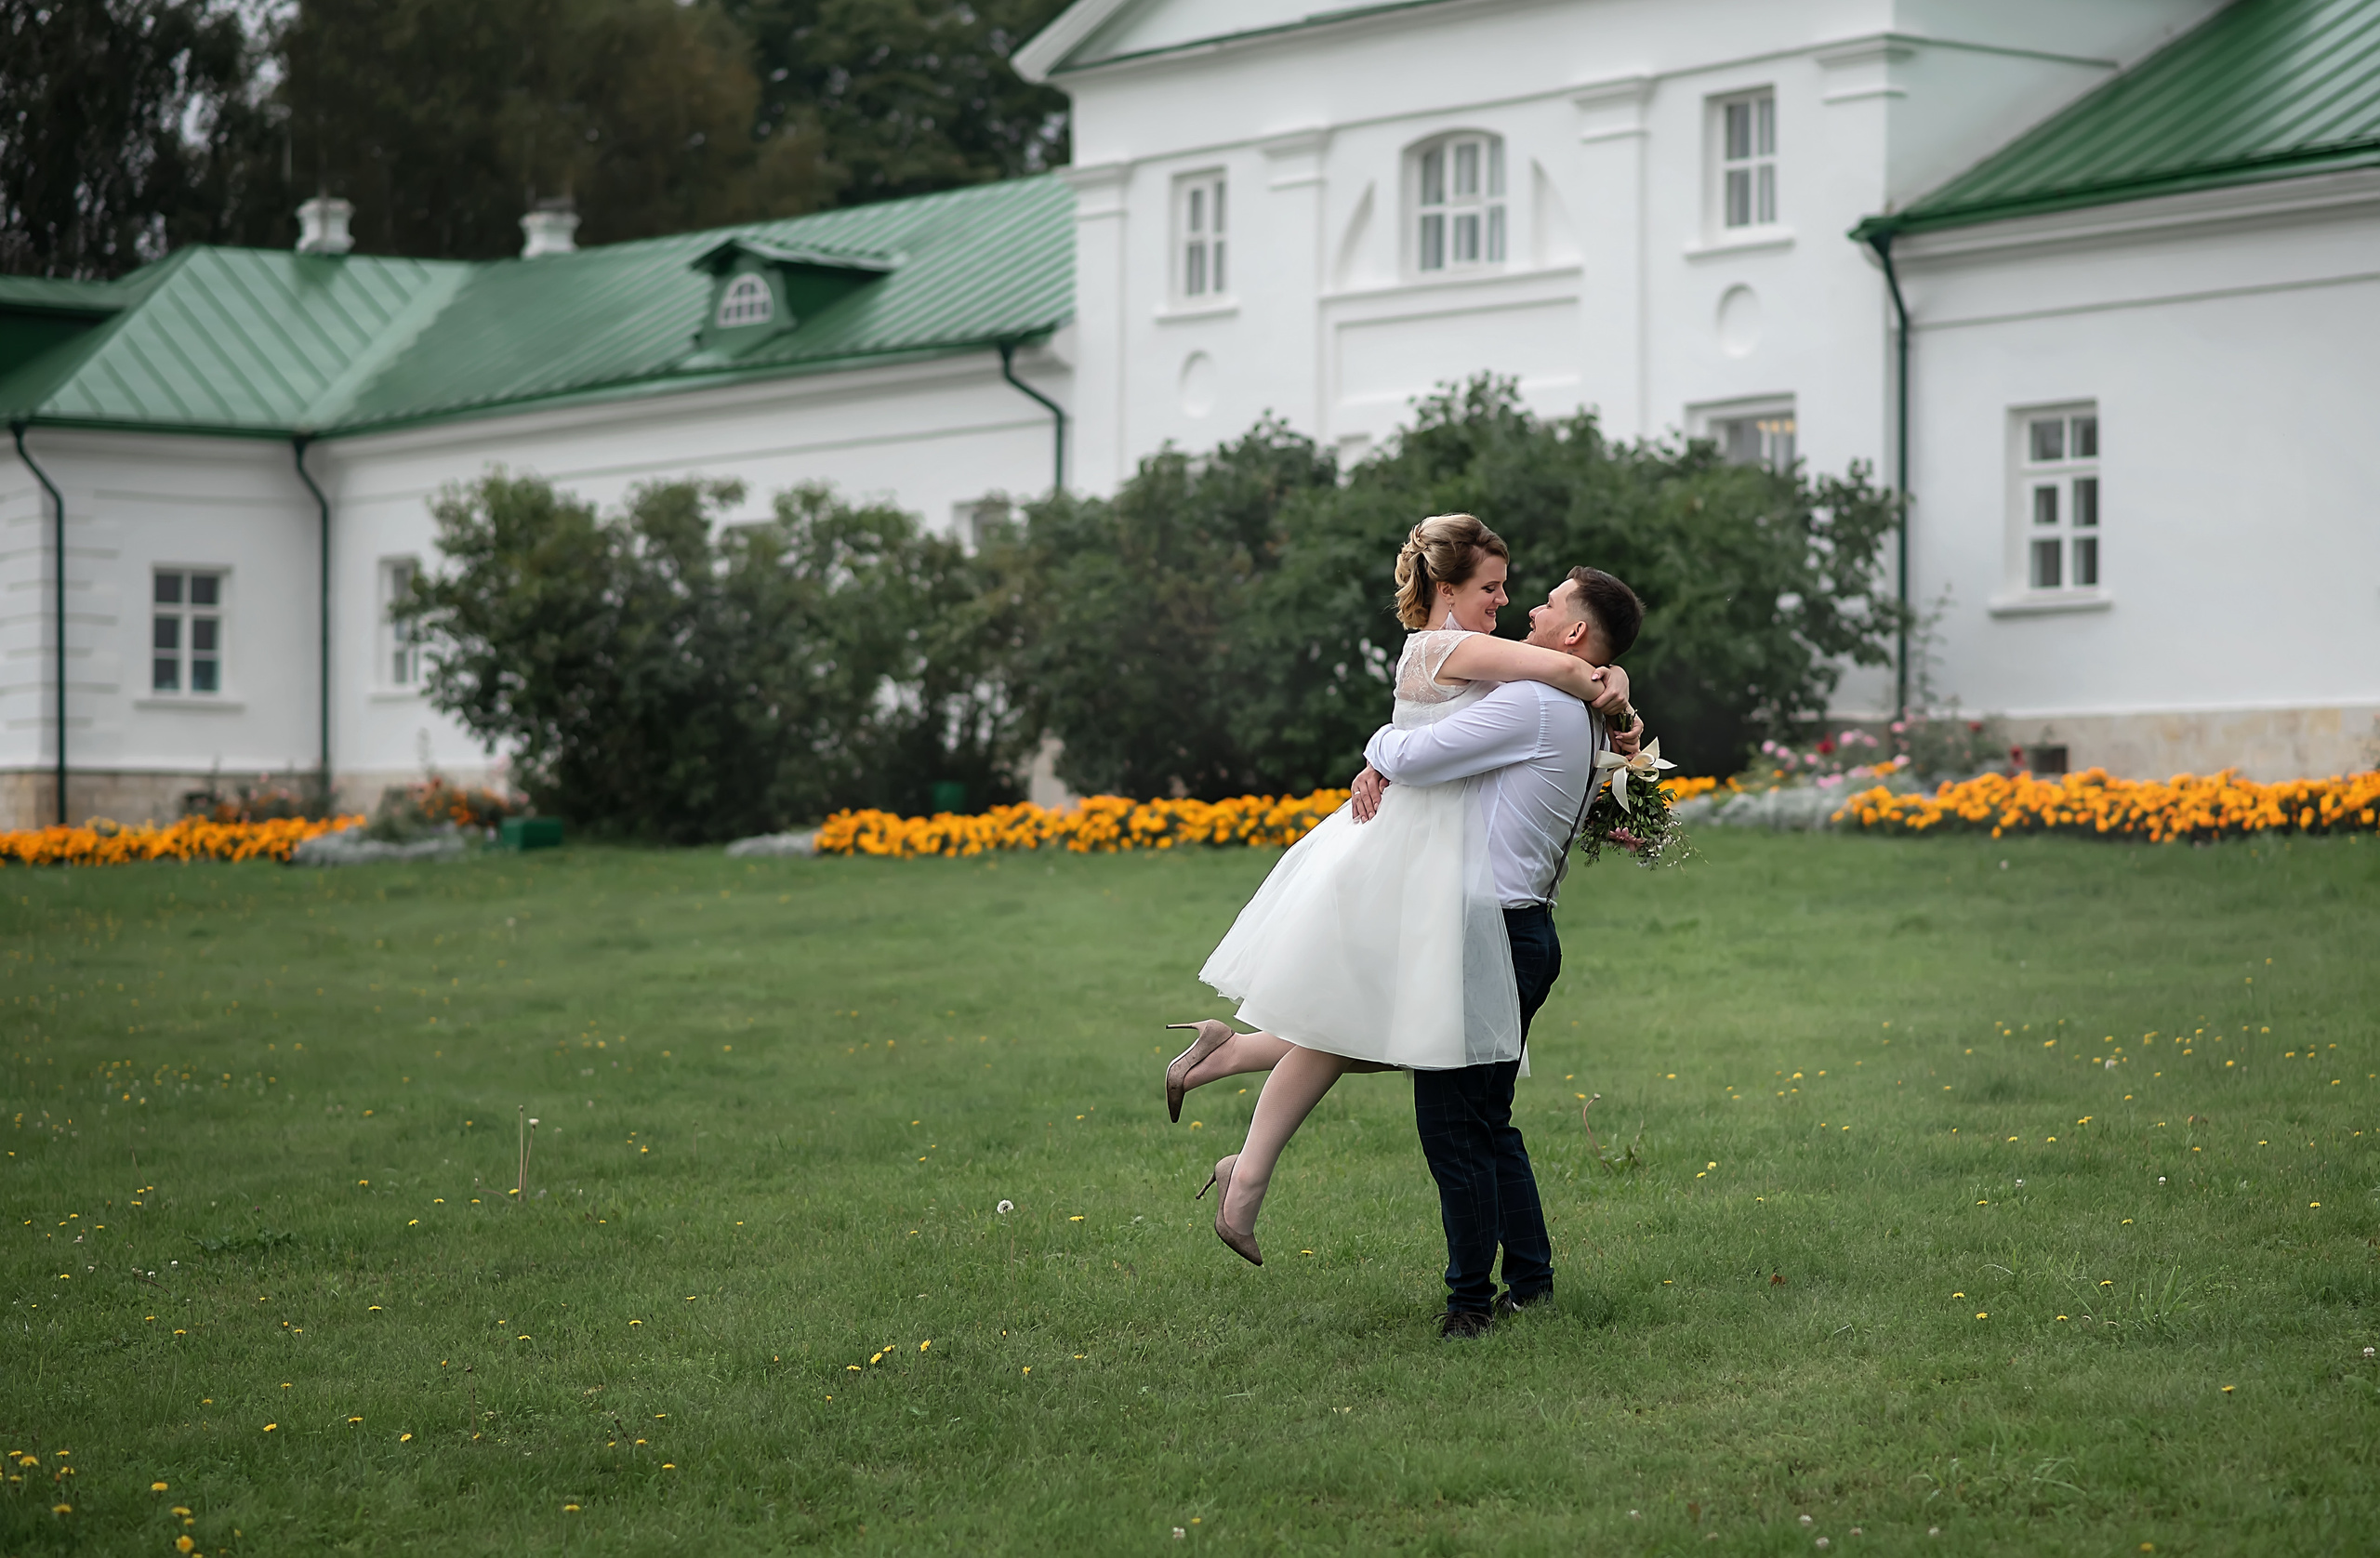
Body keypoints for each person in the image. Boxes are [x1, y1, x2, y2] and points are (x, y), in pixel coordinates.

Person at [1165, 513, 1639, 1274]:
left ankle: (1233, 1080)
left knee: (1373, 1032)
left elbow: (1561, 679)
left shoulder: (1506, 668)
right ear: (1447, 589)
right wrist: (1605, 688)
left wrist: (1609, 689)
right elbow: (1564, 673)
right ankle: (1244, 1155)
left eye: (1526, 594)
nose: (1515, 603)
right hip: (1408, 863)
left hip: (1425, 864)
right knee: (1378, 1036)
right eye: (1494, 587)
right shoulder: (1459, 649)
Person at [1363, 563, 1644, 1335]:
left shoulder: (1531, 702)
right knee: (1488, 1121)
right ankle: (1531, 1281)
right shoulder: (1584, 710)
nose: (1529, 608)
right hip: (1527, 930)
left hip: (1487, 932)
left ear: (1576, 634)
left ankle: (1468, 1306)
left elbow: (1415, 758)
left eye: (1550, 603)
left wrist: (1377, 740)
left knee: (1453, 1125)